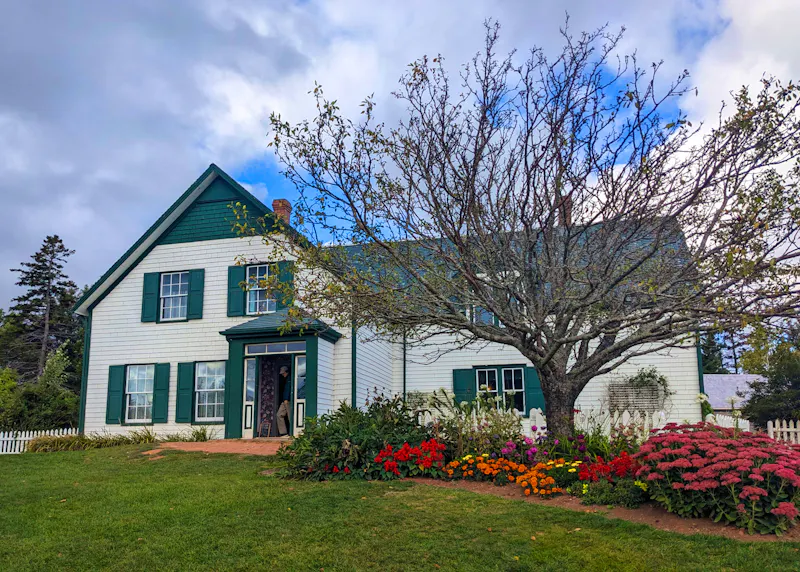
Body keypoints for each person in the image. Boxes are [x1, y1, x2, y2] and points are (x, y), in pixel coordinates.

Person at [276, 365, 291, 436]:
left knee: (290, 416)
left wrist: (286, 398)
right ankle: (283, 433)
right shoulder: (285, 379)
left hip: (287, 400)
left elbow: (288, 389)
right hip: (284, 400)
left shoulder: (290, 378)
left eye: (283, 373)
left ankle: (293, 432)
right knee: (279, 415)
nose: (282, 375)